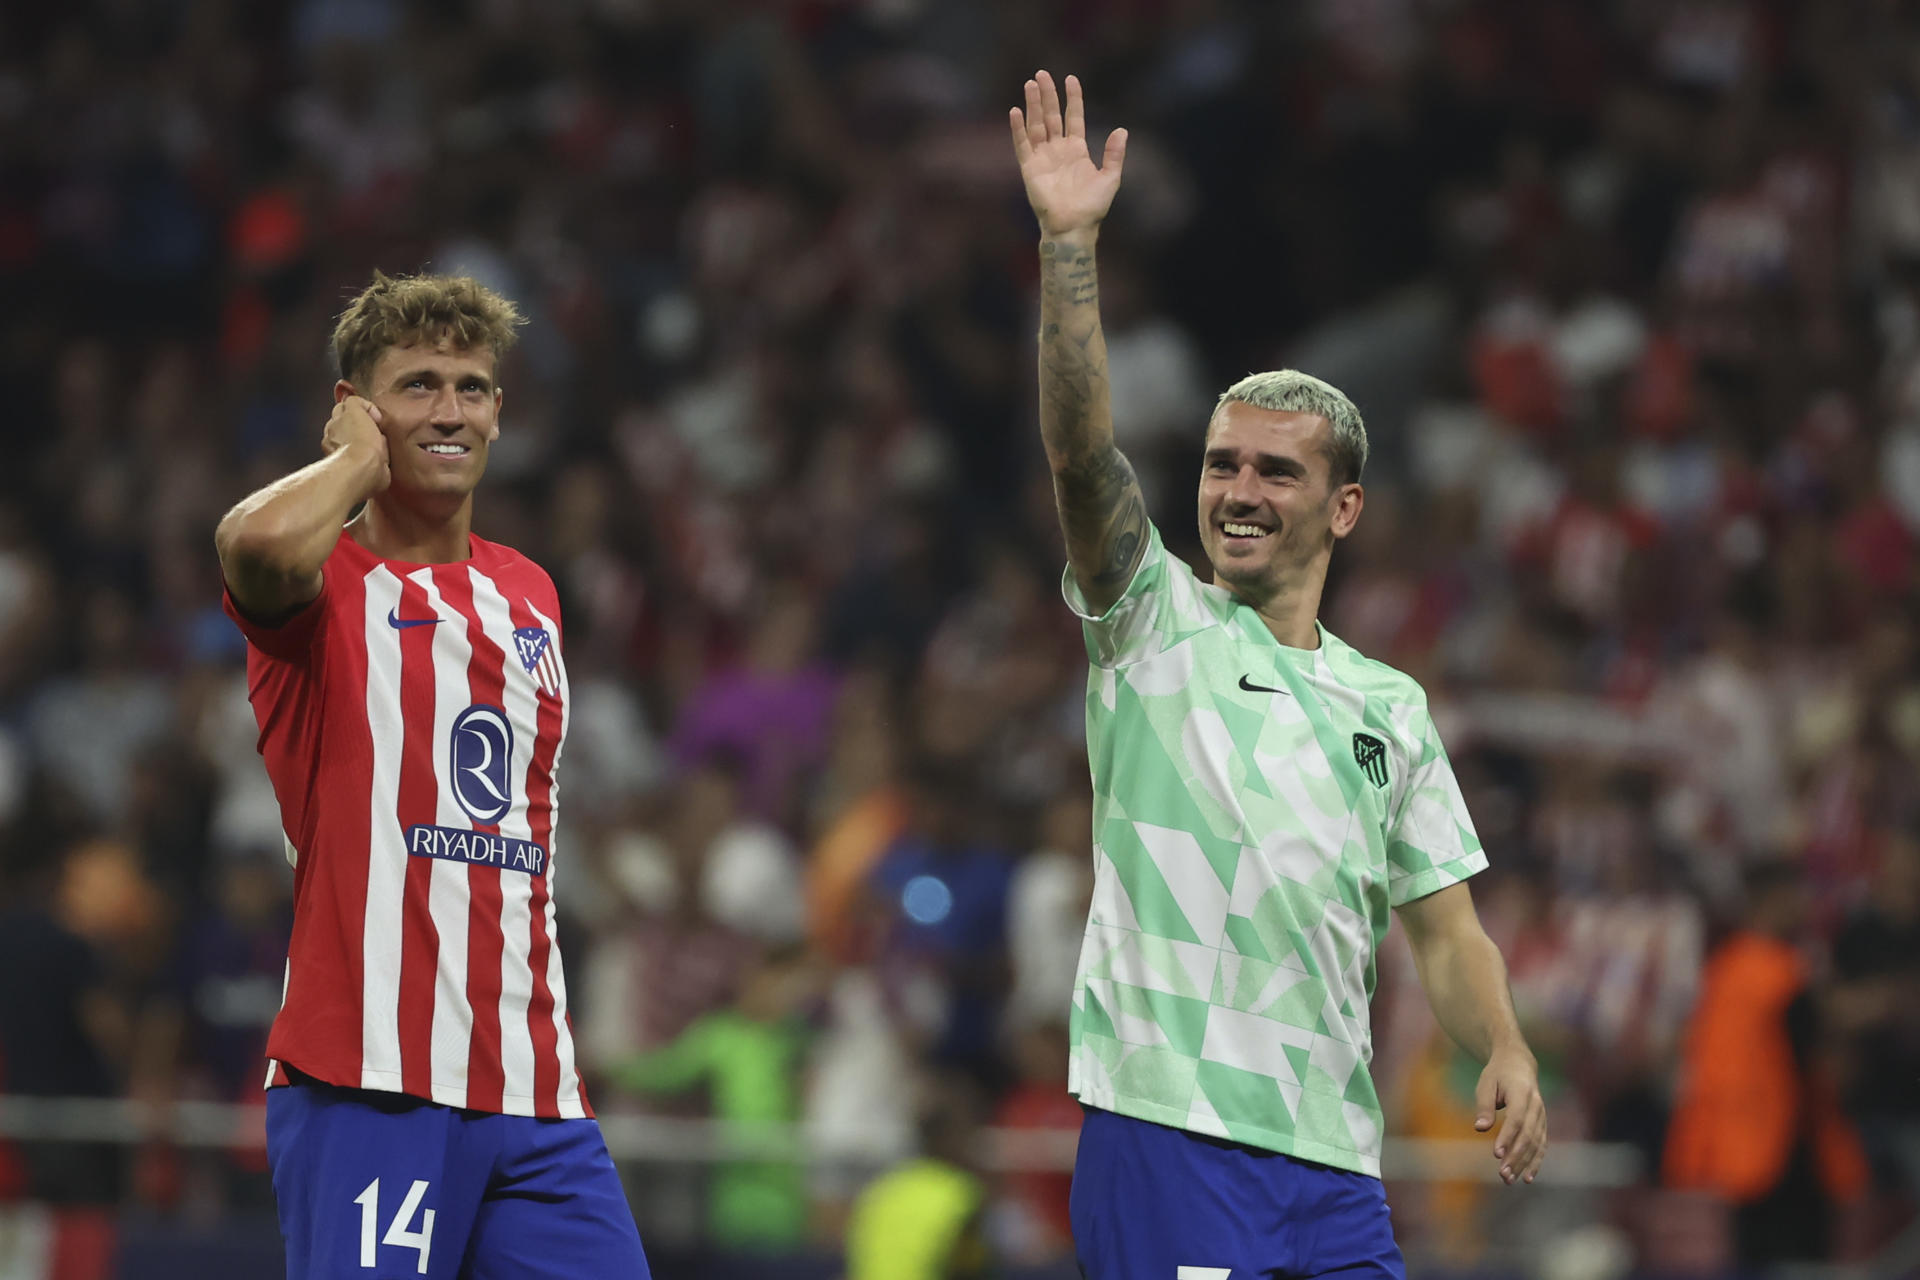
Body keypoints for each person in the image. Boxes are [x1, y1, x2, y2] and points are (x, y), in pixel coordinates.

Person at [1009, 71, 1547, 1278]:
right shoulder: (1149, 619)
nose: (1237, 492)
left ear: (1346, 505)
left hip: (1334, 1161)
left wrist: (1502, 1044)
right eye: (1220, 464)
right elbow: (1081, 453)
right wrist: (1070, 252)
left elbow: (1448, 933)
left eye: (1276, 472)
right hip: (1171, 1132)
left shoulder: (1389, 706)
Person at [214, 272, 649, 1278]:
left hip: (536, 1091)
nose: (450, 410)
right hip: (367, 1081)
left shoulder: (530, 593)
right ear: (354, 407)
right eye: (416, 385)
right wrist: (357, 464)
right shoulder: (321, 591)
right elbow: (254, 539)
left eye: (473, 386)